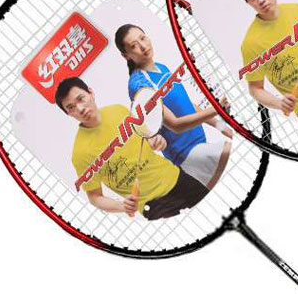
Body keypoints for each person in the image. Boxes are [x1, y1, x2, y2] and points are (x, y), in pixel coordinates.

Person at [56, 77, 207, 220]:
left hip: (177, 178)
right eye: (71, 107)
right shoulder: (80, 154)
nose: (80, 108)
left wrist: (156, 140)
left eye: (80, 99)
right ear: (68, 113)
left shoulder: (118, 110)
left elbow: (147, 137)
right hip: (154, 205)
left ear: (90, 92)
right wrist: (122, 206)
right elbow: (95, 197)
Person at [115, 24, 231, 190]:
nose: (143, 46)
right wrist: (216, 109)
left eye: (143, 38)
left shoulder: (161, 67)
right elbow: (175, 125)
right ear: (125, 55)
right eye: (134, 46)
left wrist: (221, 126)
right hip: (186, 155)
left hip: (201, 143)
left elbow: (187, 104)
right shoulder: (138, 85)